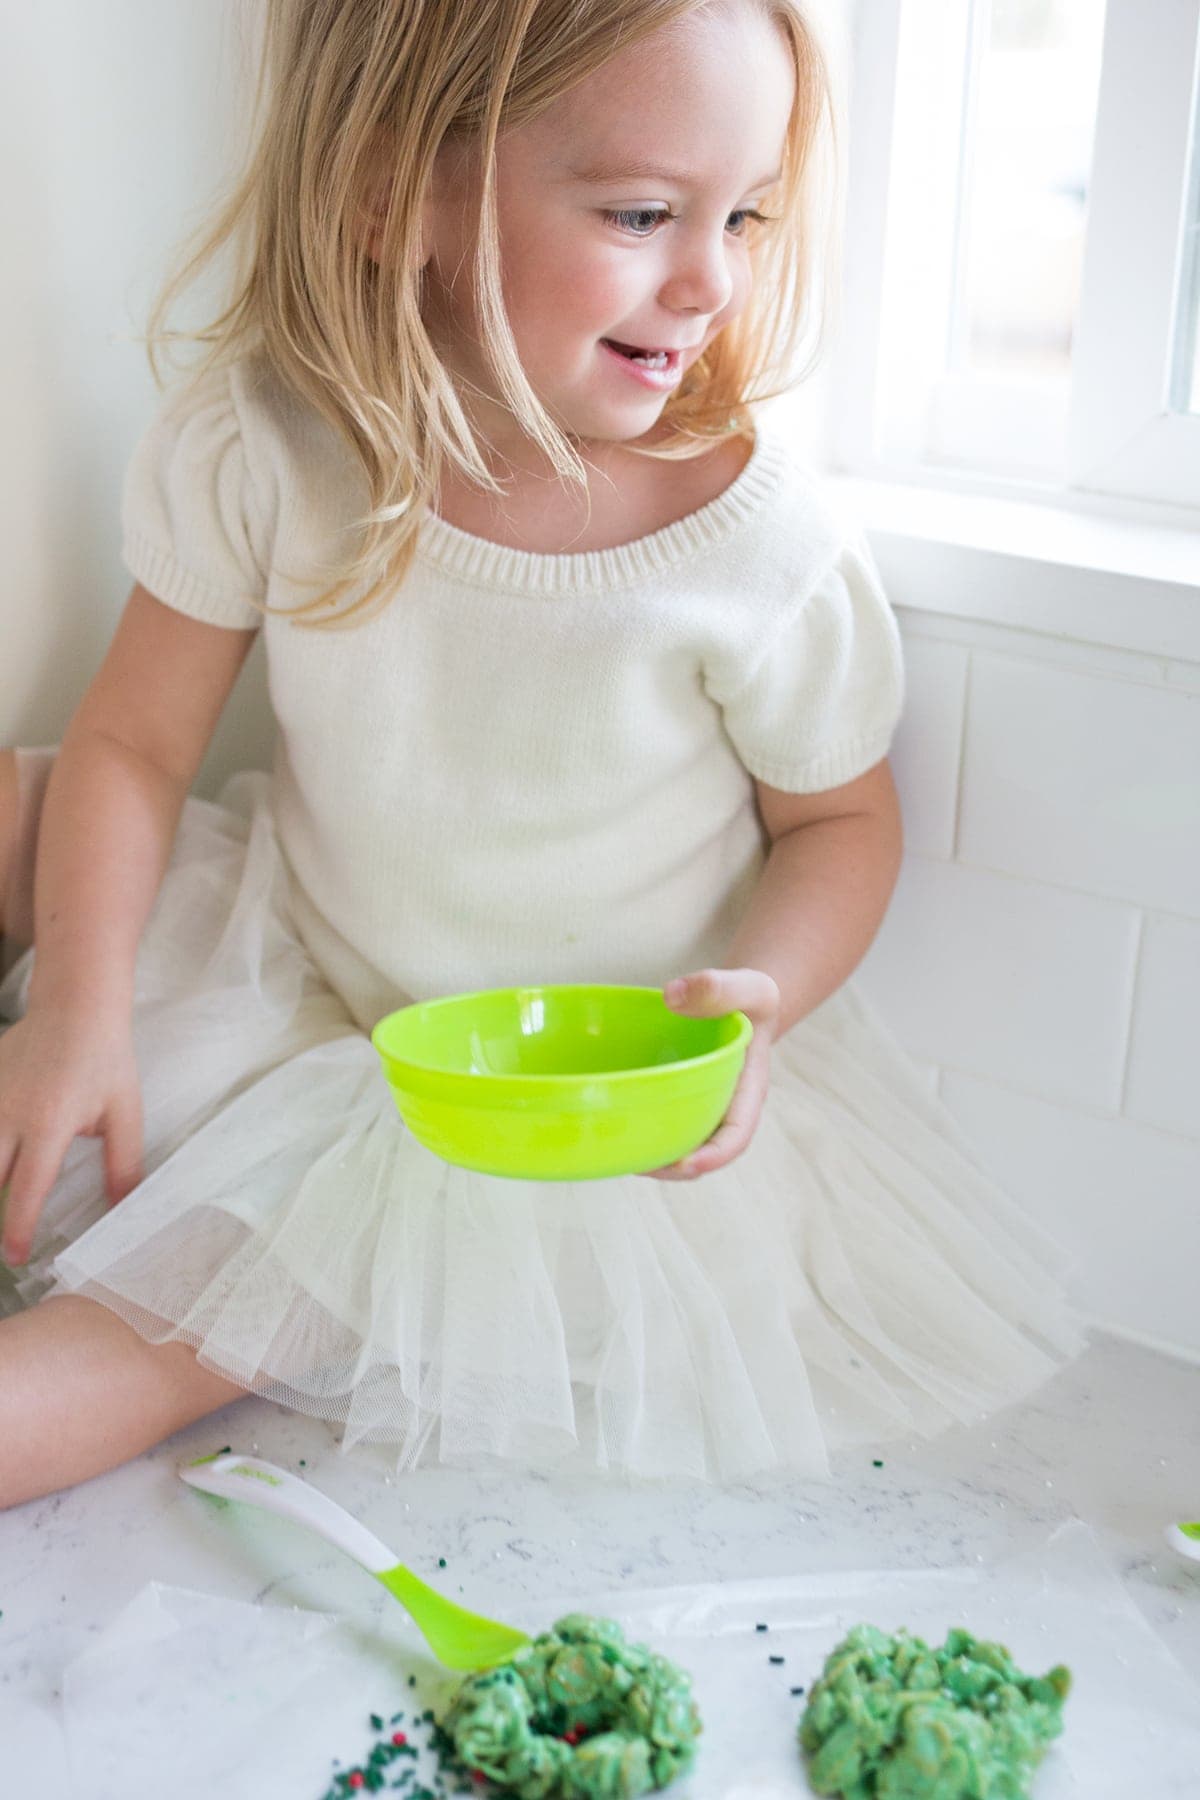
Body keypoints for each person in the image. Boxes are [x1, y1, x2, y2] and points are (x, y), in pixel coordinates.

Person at [0, 0, 1081, 1509]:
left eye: (747, 215)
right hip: (307, 975)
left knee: (170, 1323)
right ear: (397, 198)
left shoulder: (754, 548)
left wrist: (763, 1001)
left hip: (528, 1129)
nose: (710, 278)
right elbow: (130, 743)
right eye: (644, 213)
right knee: (27, 798)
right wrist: (81, 1010)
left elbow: (843, 823)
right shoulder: (273, 441)